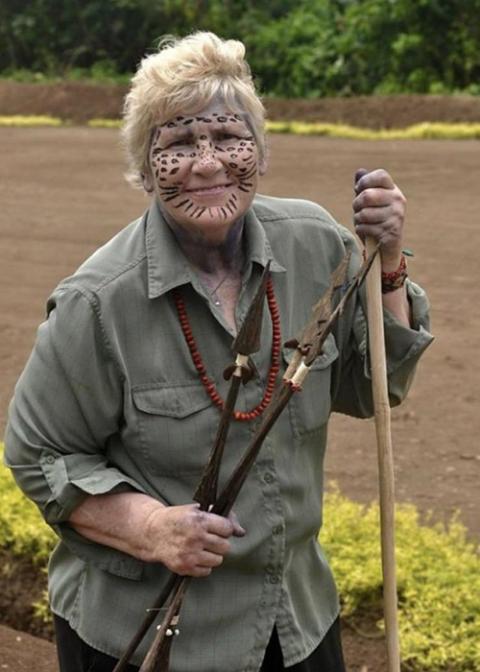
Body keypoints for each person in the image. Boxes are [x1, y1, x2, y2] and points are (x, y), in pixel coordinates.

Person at [4, 32, 433, 672]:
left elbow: (377, 385)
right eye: (178, 144)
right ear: (145, 168)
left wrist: (389, 261)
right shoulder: (98, 303)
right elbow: (37, 455)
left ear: (257, 151)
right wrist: (150, 527)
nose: (208, 164)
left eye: (229, 140)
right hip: (146, 636)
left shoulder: (318, 245)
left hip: (295, 622)